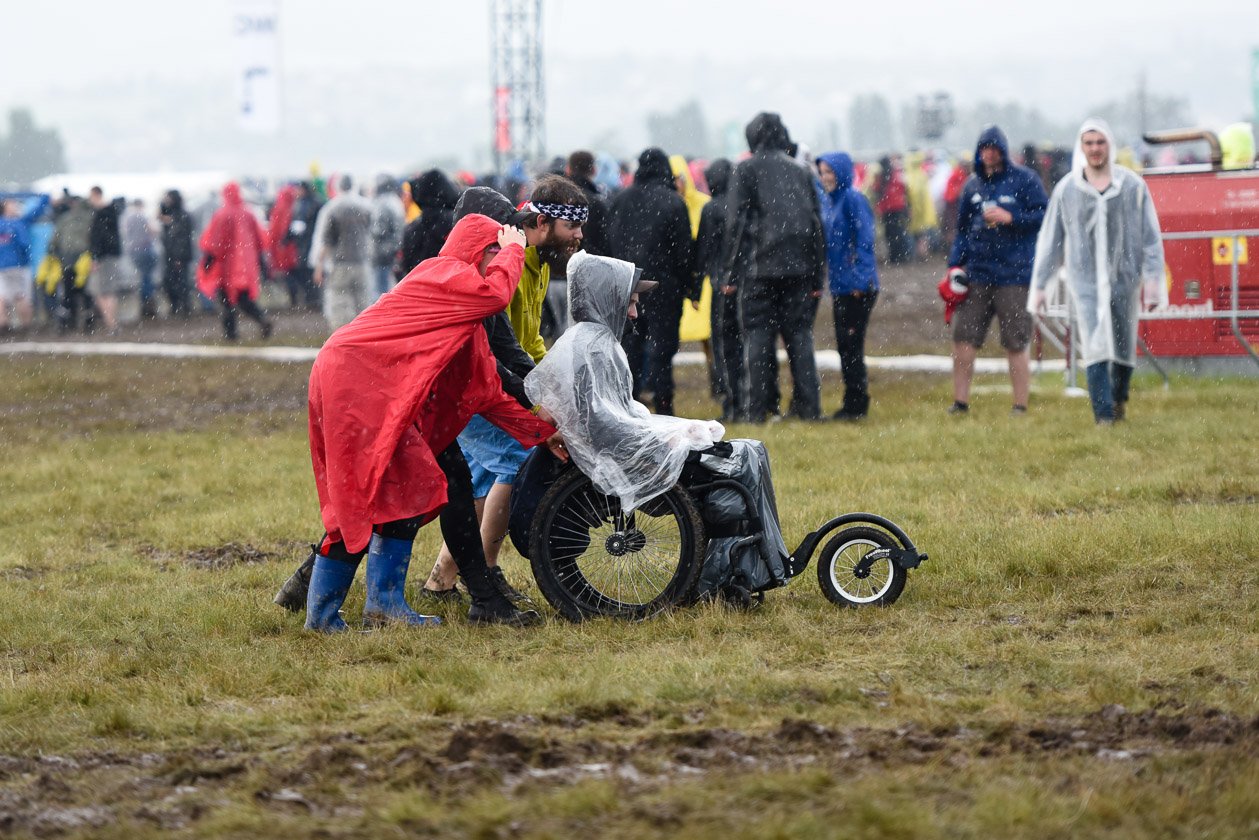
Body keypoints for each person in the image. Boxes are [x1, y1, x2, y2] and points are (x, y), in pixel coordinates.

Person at [301, 214, 563, 632]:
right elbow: (497, 295)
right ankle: (323, 618)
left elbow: (486, 391)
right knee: (361, 494)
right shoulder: (447, 274)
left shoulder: (462, 311)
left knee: (409, 489)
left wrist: (542, 430)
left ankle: (383, 606)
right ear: (477, 249)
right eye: (492, 252)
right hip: (355, 381)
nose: (497, 261)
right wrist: (514, 249)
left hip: (365, 380)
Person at [418, 177, 587, 602]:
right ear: (544, 223)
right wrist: (533, 400)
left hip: (486, 383)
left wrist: (546, 383)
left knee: (478, 482)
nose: (580, 238)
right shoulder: (503, 261)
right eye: (573, 229)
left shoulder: (541, 263)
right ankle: (487, 575)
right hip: (469, 386)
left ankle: (442, 580)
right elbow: (491, 350)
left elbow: (523, 342)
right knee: (518, 461)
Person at [1029, 118, 1166, 424]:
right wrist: (1040, 286)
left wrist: (1154, 282)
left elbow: (1150, 237)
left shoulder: (1132, 186)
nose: (1095, 149)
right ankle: (1103, 414)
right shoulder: (1067, 190)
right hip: (1085, 282)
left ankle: (1119, 398)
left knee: (1121, 346)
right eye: (1089, 143)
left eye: (1100, 142)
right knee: (1094, 345)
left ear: (1109, 145)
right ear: (1081, 147)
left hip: (1124, 280)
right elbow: (1051, 241)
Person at [721, 112, 826, 423]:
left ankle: (756, 410)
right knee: (800, 338)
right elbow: (816, 224)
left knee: (757, 339)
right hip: (800, 268)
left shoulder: (746, 170)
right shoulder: (801, 171)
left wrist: (730, 272)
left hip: (759, 268)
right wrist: (817, 272)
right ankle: (810, 407)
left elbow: (736, 225)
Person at [945, 126, 1048, 416]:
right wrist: (954, 264)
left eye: (993, 148)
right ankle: (960, 402)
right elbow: (962, 230)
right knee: (964, 337)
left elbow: (1043, 215)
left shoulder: (1025, 180)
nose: (988, 154)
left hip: (1014, 276)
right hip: (978, 274)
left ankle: (1020, 405)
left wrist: (1011, 217)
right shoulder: (972, 186)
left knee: (1015, 341)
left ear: (1003, 150)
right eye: (983, 149)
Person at [608, 147, 697, 416]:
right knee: (662, 349)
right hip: (664, 287)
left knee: (629, 347)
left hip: (627, 284)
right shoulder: (673, 202)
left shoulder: (620, 200)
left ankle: (628, 403)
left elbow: (610, 242)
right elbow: (684, 251)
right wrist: (689, 286)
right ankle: (664, 405)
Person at [817, 152, 879, 420]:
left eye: (829, 172)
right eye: (821, 172)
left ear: (841, 172)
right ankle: (852, 401)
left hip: (856, 287)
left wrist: (859, 281)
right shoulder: (828, 202)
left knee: (852, 344)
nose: (825, 177)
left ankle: (857, 404)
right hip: (840, 286)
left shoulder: (853, 199)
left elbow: (865, 241)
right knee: (845, 345)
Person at [696, 158, 744, 422]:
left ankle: (731, 401)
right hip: (746, 284)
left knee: (724, 344)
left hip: (720, 285)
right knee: (746, 342)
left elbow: (703, 250)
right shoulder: (744, 205)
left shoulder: (712, 208)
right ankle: (754, 399)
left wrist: (693, 287)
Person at [197, 182, 274, 341]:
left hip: (227, 266)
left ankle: (231, 333)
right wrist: (260, 262)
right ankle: (261, 319)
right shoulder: (248, 213)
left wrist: (208, 261)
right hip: (246, 264)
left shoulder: (222, 214)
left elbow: (214, 242)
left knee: (226, 300)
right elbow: (260, 240)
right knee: (243, 298)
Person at [310, 175, 374, 330]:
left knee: (340, 302)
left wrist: (319, 266)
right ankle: (363, 334)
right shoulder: (366, 207)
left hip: (340, 263)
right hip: (362, 262)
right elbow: (373, 235)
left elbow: (326, 240)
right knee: (363, 302)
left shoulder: (332, 208)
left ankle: (343, 336)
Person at [86, 187, 136, 334]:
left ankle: (112, 325)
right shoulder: (112, 212)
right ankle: (112, 324)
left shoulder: (102, 214)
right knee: (108, 291)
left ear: (96, 195)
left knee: (103, 291)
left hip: (103, 258)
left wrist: (95, 257)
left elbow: (99, 238)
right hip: (110, 256)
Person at [0, 192, 50, 330]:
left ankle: (5, 326)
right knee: (21, 296)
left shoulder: (15, 222)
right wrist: (46, 196)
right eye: (12, 204)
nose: (16, 206)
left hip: (5, 267)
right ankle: (25, 327)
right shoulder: (19, 222)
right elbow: (37, 211)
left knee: (4, 297)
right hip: (19, 266)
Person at [397, 170, 460, 278]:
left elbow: (405, 267)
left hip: (418, 287)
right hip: (450, 287)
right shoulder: (458, 223)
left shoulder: (412, 227)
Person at [47, 193, 95, 332]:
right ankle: (75, 322)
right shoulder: (71, 219)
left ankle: (78, 322)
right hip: (71, 259)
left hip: (79, 259)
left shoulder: (83, 219)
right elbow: (55, 240)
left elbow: (55, 240)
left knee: (77, 293)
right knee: (74, 293)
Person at [158, 190, 194, 319]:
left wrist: (178, 257)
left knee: (180, 282)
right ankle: (177, 306)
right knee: (170, 282)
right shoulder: (174, 214)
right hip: (172, 254)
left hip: (178, 256)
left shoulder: (181, 215)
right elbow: (162, 214)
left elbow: (181, 238)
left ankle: (184, 307)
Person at [122, 199, 160, 318]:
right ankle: (148, 302)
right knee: (147, 276)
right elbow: (153, 230)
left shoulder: (129, 219)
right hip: (145, 249)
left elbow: (126, 233)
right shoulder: (143, 217)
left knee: (144, 276)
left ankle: (145, 302)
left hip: (134, 251)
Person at [369, 175, 405, 299]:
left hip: (381, 251)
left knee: (379, 289)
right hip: (393, 249)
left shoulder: (383, 202)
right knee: (389, 286)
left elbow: (379, 229)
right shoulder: (395, 201)